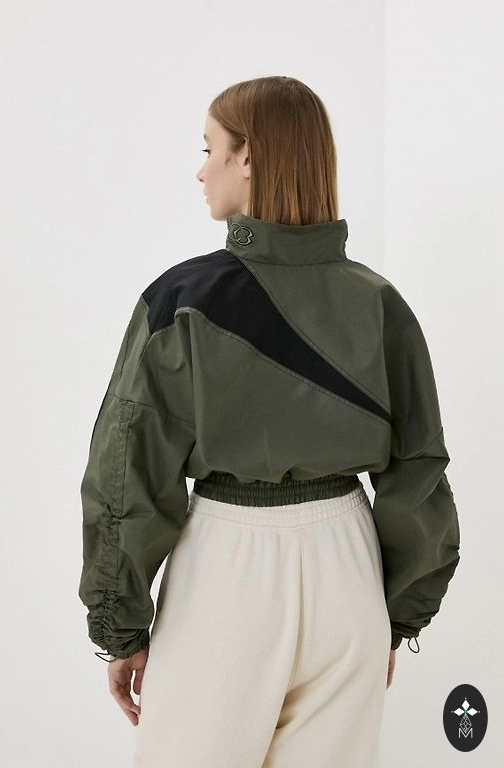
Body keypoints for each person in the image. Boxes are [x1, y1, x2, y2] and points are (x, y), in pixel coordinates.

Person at [78, 76, 461, 767]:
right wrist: (396, 613)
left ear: (247, 156)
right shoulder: (379, 303)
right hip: (349, 569)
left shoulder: (183, 301)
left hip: (227, 569)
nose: (201, 170)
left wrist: (120, 624)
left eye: (209, 149)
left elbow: (128, 470)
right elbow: (418, 470)